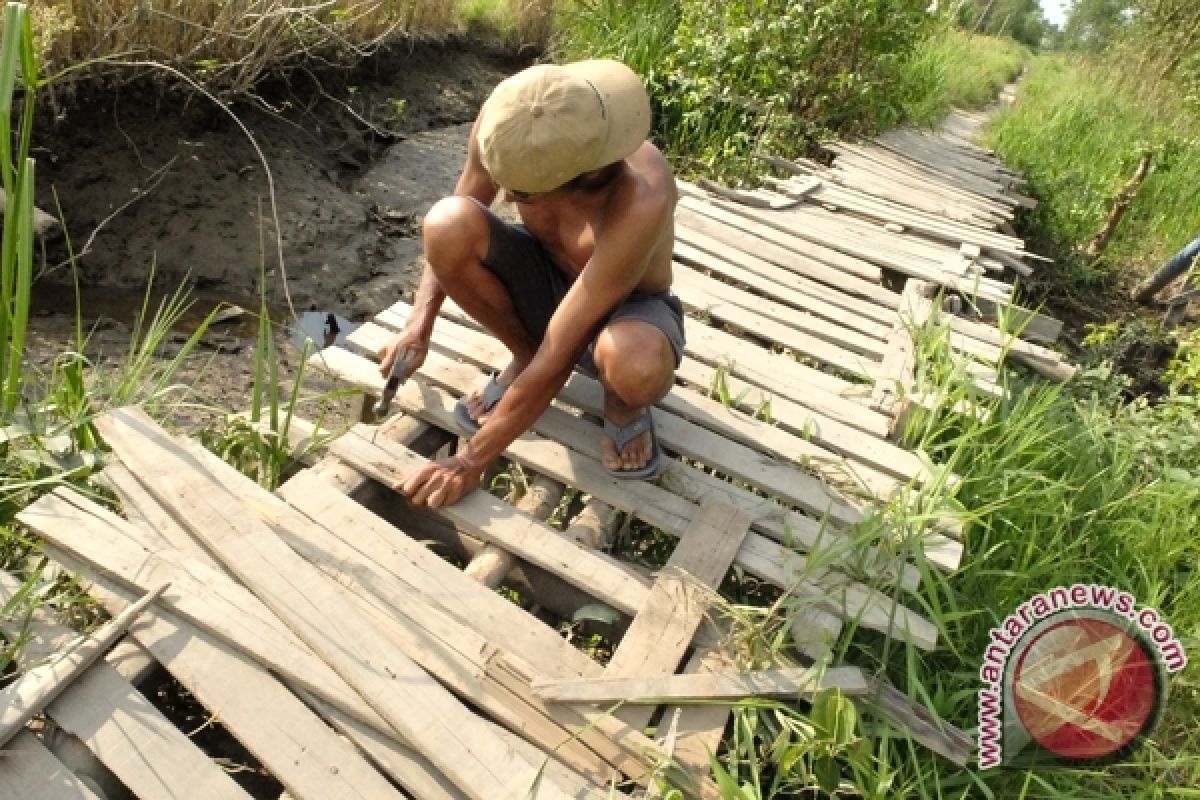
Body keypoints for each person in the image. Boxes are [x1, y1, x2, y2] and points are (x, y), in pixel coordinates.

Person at [378, 59, 684, 510]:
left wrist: (468, 462)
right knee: (447, 222)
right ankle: (522, 354)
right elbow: (462, 211)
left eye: (518, 194)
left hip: (628, 306)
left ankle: (622, 406)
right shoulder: (513, 124)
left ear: (569, 179)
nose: (501, 197)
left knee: (633, 365)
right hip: (545, 275)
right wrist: (418, 322)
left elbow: (561, 348)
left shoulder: (641, 192)